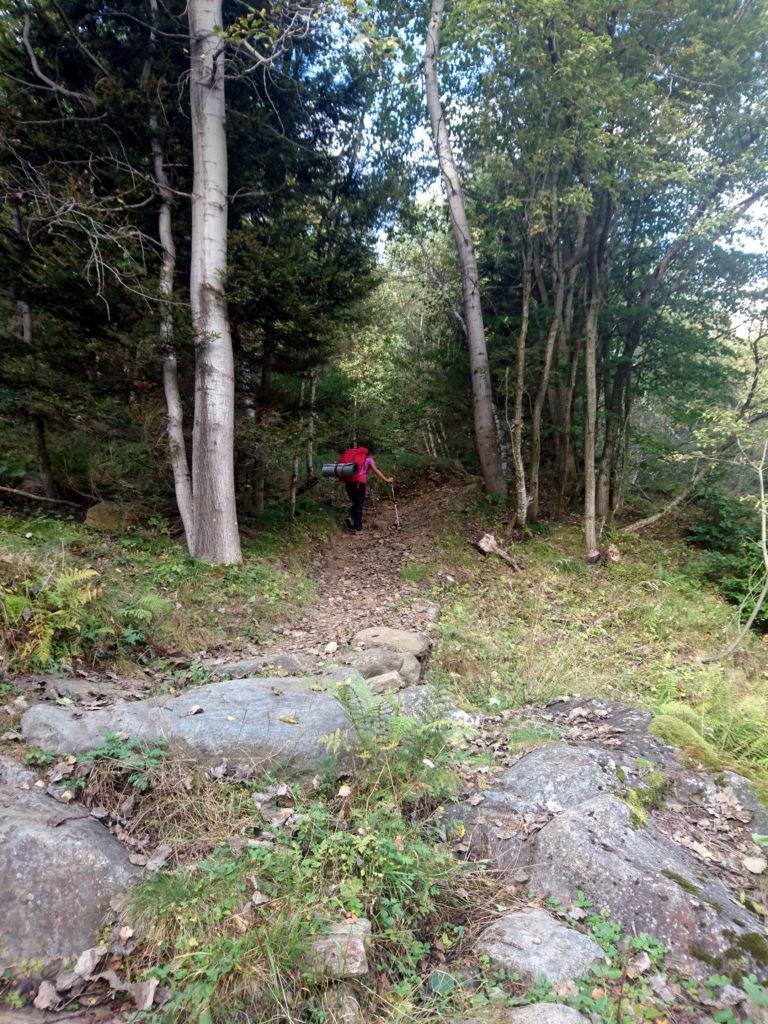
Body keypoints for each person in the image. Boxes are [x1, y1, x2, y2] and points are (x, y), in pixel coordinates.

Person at [345, 445, 393, 535]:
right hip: (360, 483)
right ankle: (358, 529)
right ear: (371, 454)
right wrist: (386, 479)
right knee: (359, 505)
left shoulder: (353, 459)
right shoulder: (369, 459)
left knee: (356, 502)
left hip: (348, 483)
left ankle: (351, 517)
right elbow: (376, 470)